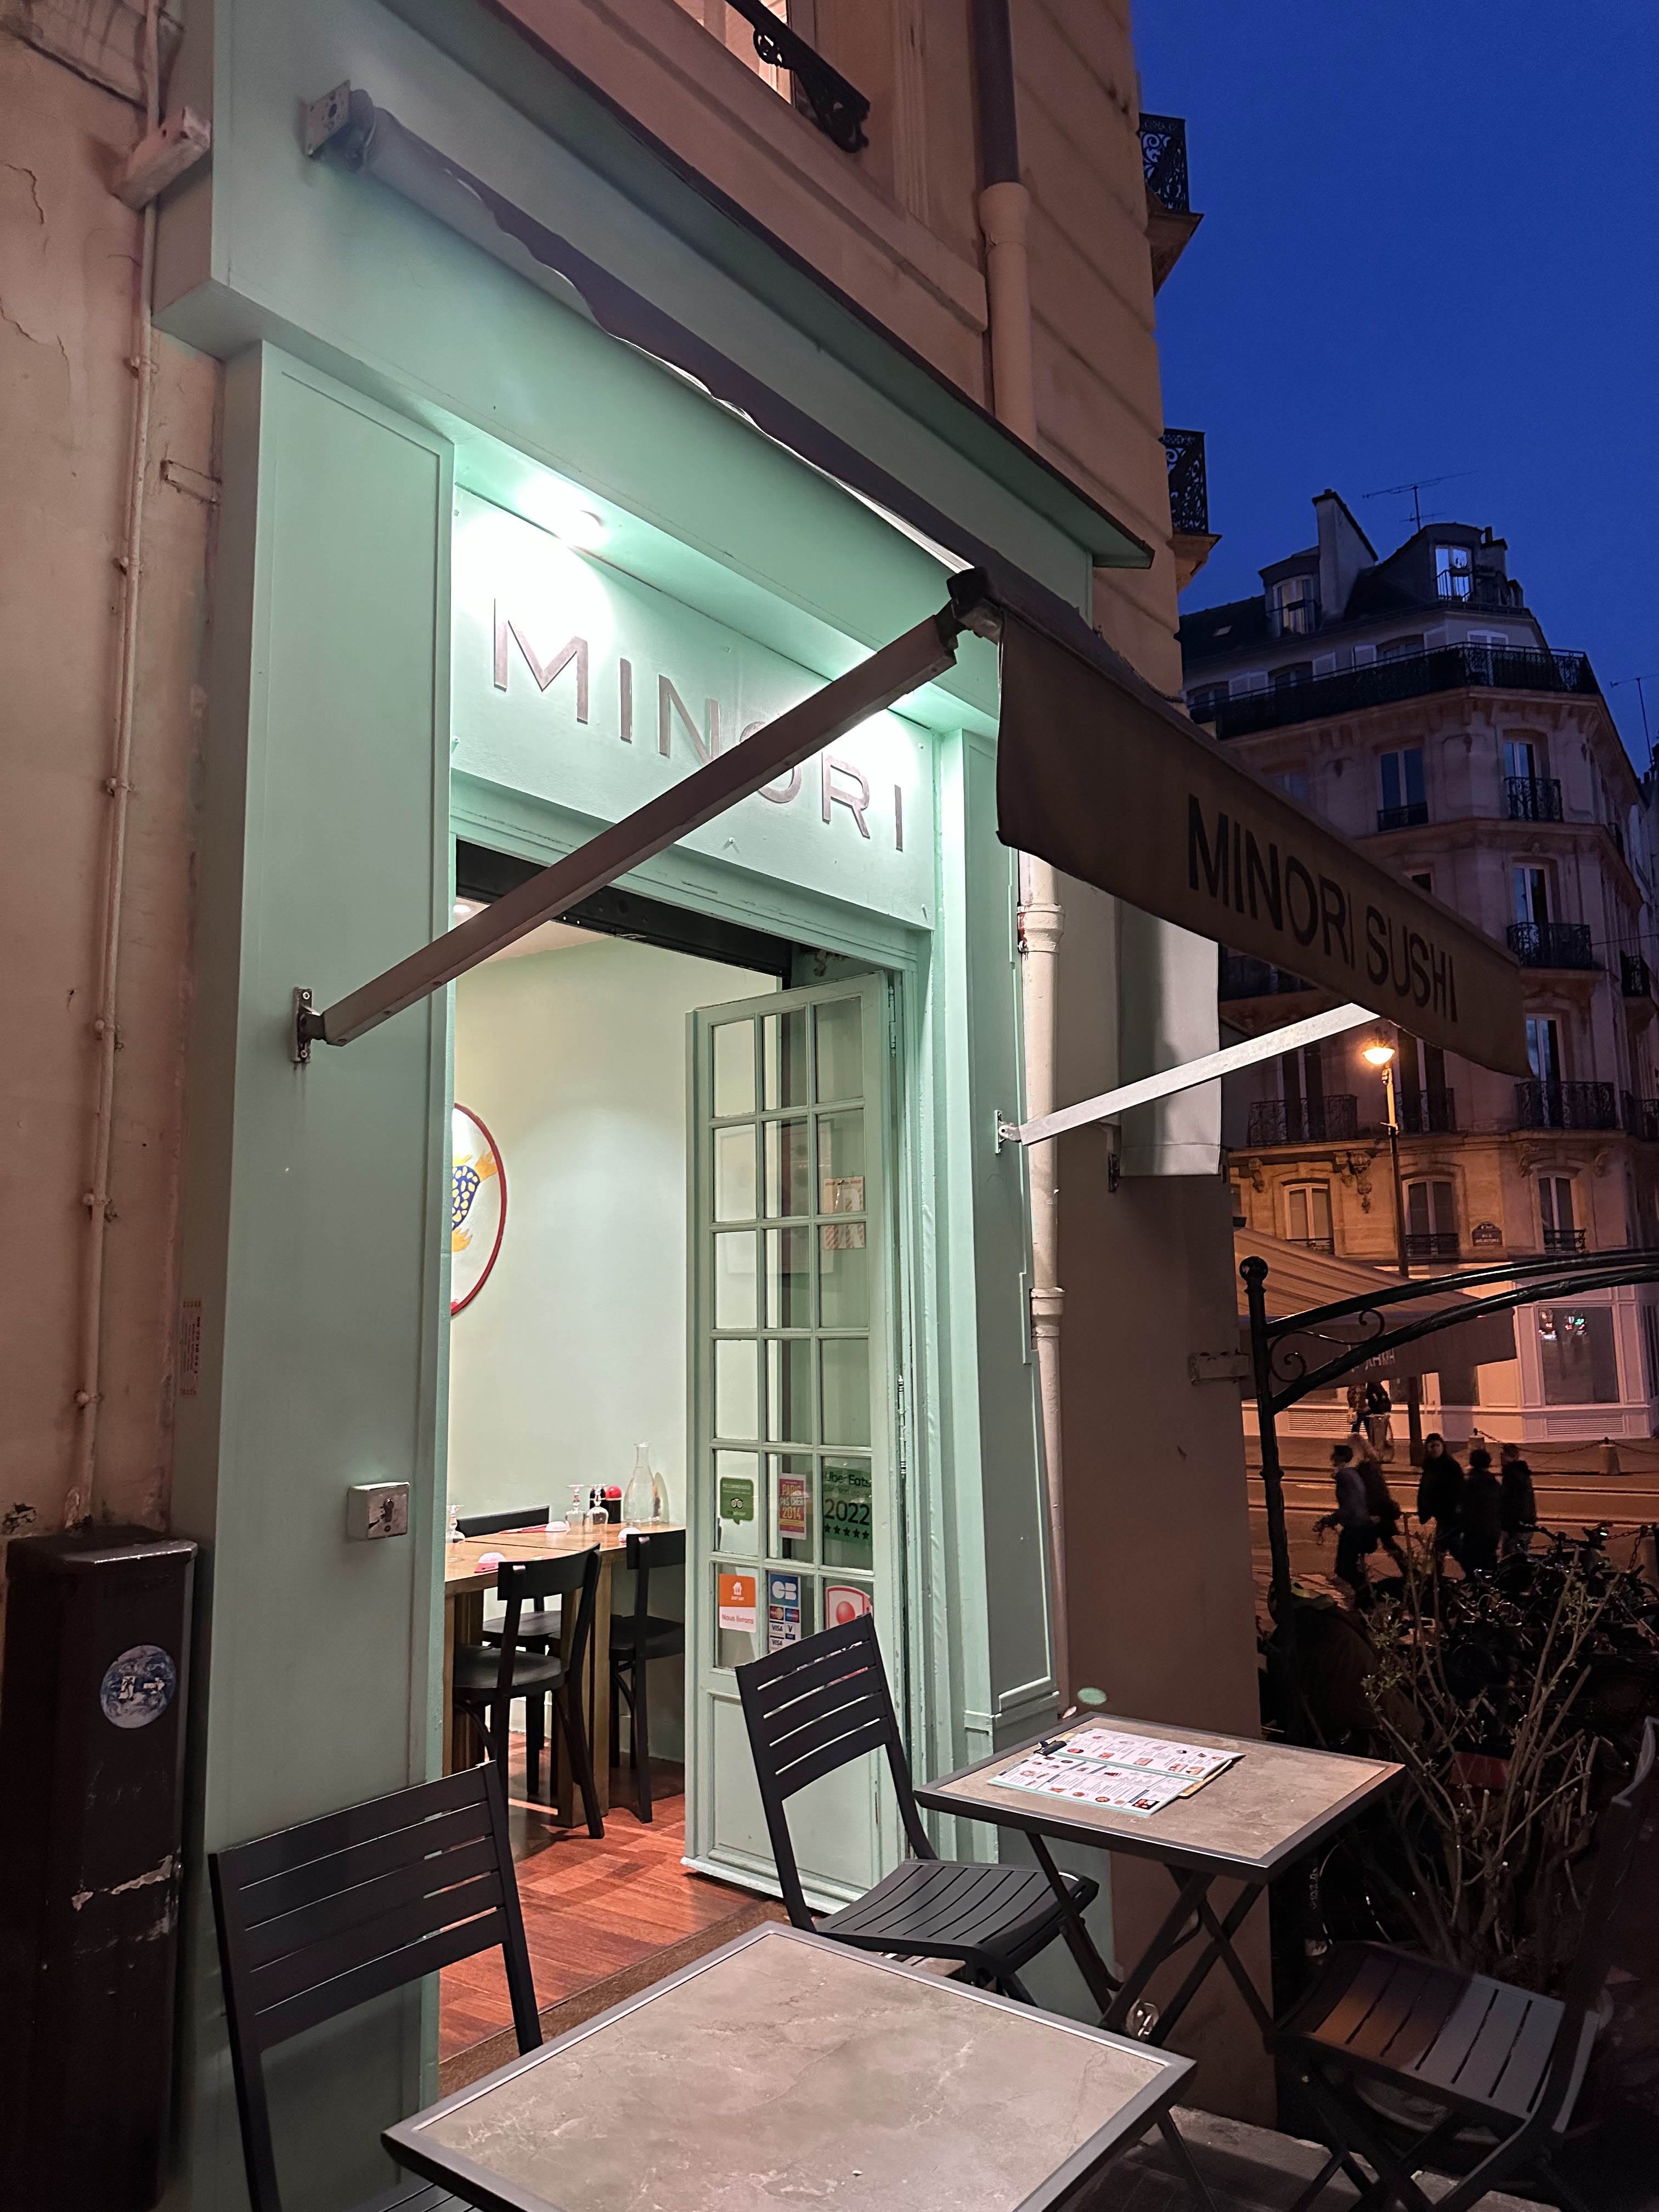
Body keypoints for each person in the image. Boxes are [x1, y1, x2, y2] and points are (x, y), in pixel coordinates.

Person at [1316, 1443, 1379, 1595]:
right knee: (1346, 1566)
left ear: (1340, 1458)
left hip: (1356, 1526)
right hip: (1360, 1525)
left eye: (1334, 1455)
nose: (1332, 1458)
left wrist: (1332, 1519)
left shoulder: (1345, 1476)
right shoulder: (1351, 1473)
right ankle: (1365, 1593)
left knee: (1345, 1568)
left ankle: (1367, 1595)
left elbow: (1351, 1506)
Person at [1415, 1432, 1465, 1564]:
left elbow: (1460, 1490)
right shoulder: (1430, 1466)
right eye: (1432, 1446)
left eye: (1437, 1445)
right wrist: (1423, 1510)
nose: (1435, 1449)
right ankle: (1439, 1573)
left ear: (1443, 1447)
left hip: (1450, 1515)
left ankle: (1473, 1571)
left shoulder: (1451, 1466)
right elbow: (1425, 1489)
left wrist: (1457, 1508)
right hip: (1442, 1515)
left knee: (1445, 1548)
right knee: (1445, 1548)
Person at [1356, 1446, 1406, 1571]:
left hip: (1374, 1515)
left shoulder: (1366, 1469)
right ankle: (1410, 1571)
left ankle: (1355, 1573)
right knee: (1387, 1544)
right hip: (1375, 1514)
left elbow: (1377, 1494)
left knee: (1357, 1543)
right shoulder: (1369, 1467)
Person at [1460, 1448, 1503, 1577]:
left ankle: (1477, 1582)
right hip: (1493, 1529)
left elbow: (1464, 1506)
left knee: (1471, 1560)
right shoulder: (1493, 1483)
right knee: (1488, 1559)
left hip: (1475, 1530)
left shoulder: (1470, 1482)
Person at [1499, 1441, 1537, 1559]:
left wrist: (1507, 1526)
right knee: (1520, 1556)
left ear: (1506, 1457)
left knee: (1510, 1558)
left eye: (1502, 1455)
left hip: (1517, 1526)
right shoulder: (1521, 1473)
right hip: (1525, 1523)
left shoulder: (1512, 1477)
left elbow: (1512, 1504)